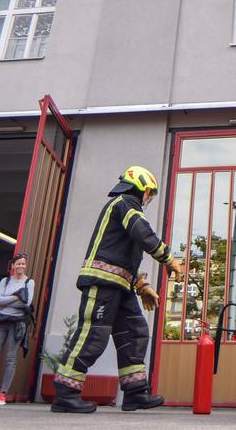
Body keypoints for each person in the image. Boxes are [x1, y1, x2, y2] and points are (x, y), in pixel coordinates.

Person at [50, 166, 181, 414]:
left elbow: (124, 254)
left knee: (135, 332)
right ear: (139, 186)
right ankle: (66, 394)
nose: (149, 198)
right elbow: (143, 234)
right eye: (149, 192)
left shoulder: (126, 208)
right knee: (92, 335)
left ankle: (134, 393)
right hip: (102, 283)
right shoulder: (125, 203)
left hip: (120, 287)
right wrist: (169, 259)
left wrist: (141, 285)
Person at [0, 252, 34, 405]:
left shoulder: (29, 282)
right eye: (18, 263)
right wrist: (17, 297)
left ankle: (2, 393)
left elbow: (27, 303)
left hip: (17, 323)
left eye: (23, 264)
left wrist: (7, 300)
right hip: (2, 322)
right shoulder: (5, 280)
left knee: (10, 358)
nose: (21, 266)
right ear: (12, 265)